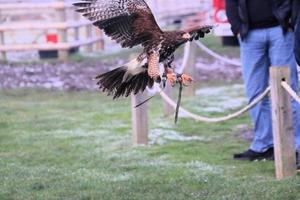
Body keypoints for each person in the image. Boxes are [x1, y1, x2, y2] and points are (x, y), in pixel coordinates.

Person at [225, 0, 300, 168]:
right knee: (255, 92)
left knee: (288, 90)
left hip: (281, 31)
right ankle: (263, 145)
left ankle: (296, 146)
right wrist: (237, 27)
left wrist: (290, 21)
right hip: (249, 35)